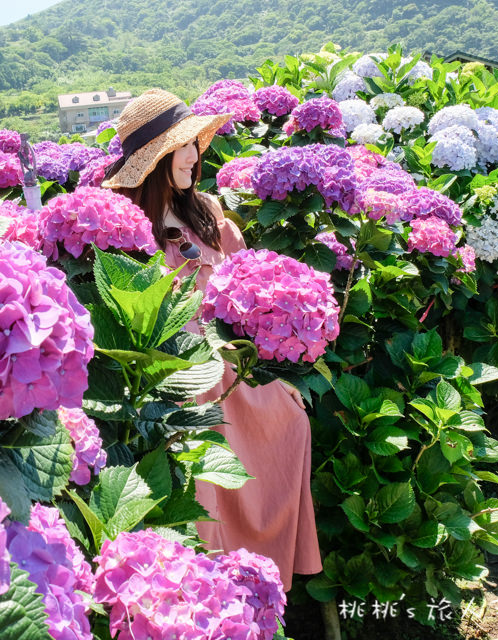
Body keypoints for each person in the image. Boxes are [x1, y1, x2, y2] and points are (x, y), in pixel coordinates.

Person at [102, 88, 322, 591]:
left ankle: (264, 583)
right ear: (153, 158)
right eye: (180, 147)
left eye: (193, 144)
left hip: (228, 364)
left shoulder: (209, 213)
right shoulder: (128, 226)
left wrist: (270, 372)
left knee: (290, 426)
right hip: (174, 375)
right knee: (200, 490)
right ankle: (211, 595)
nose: (193, 156)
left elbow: (247, 298)